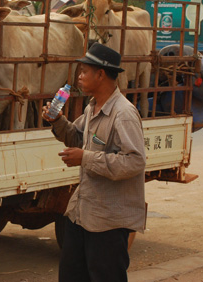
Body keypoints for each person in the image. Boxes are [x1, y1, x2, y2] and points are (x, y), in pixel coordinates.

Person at [42, 43, 146, 282]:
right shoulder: (92, 108)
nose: (79, 76)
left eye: (84, 71)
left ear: (101, 74)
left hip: (109, 221)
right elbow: (76, 137)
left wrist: (85, 157)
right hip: (83, 214)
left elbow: (134, 162)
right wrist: (58, 120)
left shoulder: (123, 113)